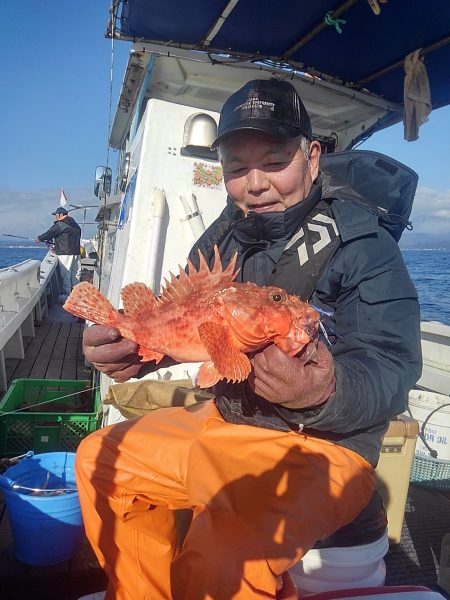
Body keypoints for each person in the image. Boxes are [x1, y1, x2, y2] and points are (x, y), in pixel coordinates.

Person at [76, 79, 422, 599]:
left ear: (311, 156)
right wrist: (132, 354)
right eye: (237, 169)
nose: (255, 184)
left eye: (275, 161)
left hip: (323, 446)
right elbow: (184, 327)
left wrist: (321, 391)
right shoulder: (226, 233)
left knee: (229, 555)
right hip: (228, 418)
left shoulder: (365, 246)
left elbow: (392, 367)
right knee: (100, 463)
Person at [36, 207, 81, 301]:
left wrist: (39, 239)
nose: (55, 217)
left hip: (65, 254)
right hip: (76, 253)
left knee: (66, 274)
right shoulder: (76, 225)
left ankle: (68, 296)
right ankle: (77, 295)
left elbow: (50, 233)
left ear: (61, 215)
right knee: (75, 274)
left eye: (56, 215)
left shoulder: (60, 224)